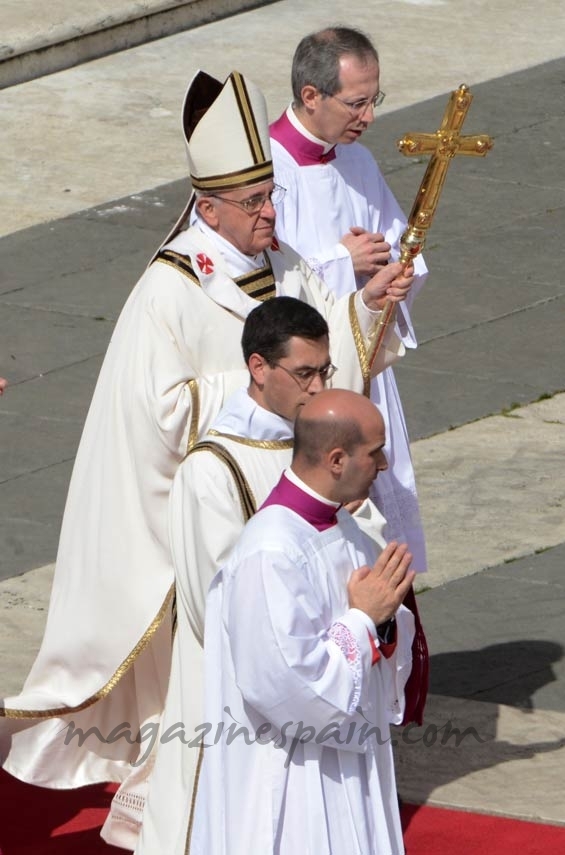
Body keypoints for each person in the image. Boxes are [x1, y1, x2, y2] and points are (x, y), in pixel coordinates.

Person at [0, 68, 413, 850]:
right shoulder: (169, 288)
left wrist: (365, 306)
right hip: (208, 493)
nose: (270, 212)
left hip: (287, 483)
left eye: (271, 196)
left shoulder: (279, 258)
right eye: (254, 202)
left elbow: (324, 349)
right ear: (208, 207)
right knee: (221, 664)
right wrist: (255, 387)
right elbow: (154, 408)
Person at [132, 297, 347, 853]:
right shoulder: (212, 469)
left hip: (310, 671)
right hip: (230, 695)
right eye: (304, 374)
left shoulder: (318, 446)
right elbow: (216, 608)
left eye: (325, 371)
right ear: (257, 368)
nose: (318, 388)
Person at [190, 388, 416, 855]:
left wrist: (385, 622)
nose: (384, 465)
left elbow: (373, 626)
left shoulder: (346, 527)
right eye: (375, 453)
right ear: (337, 459)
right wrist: (363, 621)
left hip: (351, 755)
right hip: (296, 776)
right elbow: (287, 688)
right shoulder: (269, 552)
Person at [270, 26, 429, 573]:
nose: (368, 117)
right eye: (356, 103)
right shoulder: (266, 171)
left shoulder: (357, 161)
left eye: (373, 100)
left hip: (370, 362)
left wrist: (399, 277)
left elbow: (398, 241)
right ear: (311, 95)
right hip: (316, 379)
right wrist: (345, 265)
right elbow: (268, 289)